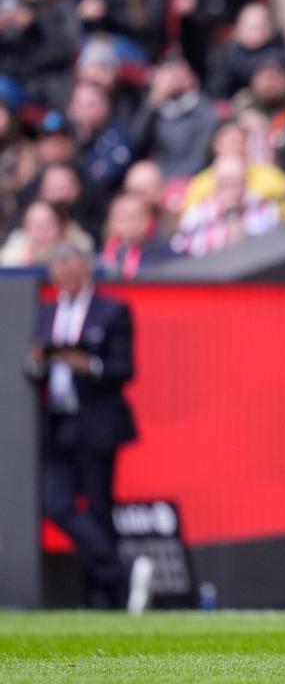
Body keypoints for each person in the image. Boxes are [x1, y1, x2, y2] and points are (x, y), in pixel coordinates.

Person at [22, 243, 153, 612]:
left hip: (96, 421)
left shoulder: (112, 310)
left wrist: (86, 364)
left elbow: (124, 369)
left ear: (85, 270)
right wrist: (37, 362)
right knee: (56, 503)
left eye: (71, 270)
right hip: (58, 420)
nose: (64, 277)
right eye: (58, 271)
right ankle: (123, 574)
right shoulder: (47, 312)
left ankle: (106, 595)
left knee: (99, 507)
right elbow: (32, 368)